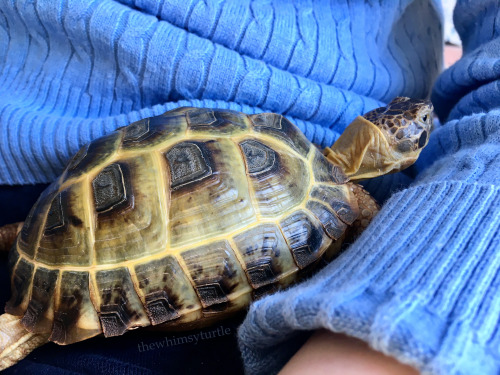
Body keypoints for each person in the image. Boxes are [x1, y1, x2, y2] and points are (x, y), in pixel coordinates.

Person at [0, 0, 498, 374]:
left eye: (415, 124)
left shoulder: (310, 167)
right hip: (57, 192)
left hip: (82, 211)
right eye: (415, 127)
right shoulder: (341, 198)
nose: (421, 120)